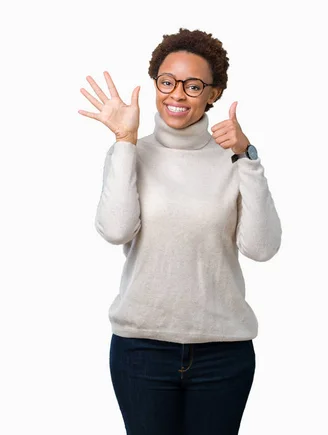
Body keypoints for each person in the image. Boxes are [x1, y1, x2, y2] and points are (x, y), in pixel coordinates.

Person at [78, 28, 282, 435]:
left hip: (223, 351)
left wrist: (247, 158)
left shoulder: (233, 157)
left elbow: (261, 248)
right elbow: (116, 230)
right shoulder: (131, 151)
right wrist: (124, 140)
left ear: (215, 93)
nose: (177, 95)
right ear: (156, 84)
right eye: (167, 82)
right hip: (141, 349)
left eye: (193, 85)